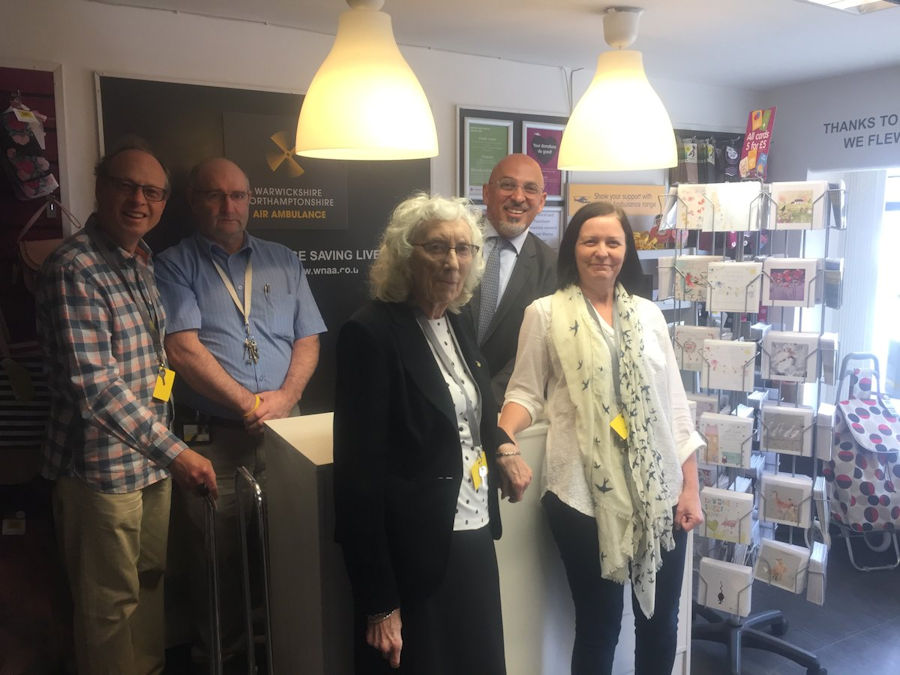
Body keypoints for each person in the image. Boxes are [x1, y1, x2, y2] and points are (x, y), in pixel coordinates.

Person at [497, 202, 705, 675]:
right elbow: (526, 392)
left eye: (613, 242)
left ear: (626, 250)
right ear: (573, 247)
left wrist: (689, 487)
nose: (602, 252)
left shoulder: (650, 315)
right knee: (599, 625)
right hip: (580, 496)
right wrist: (502, 435)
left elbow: (675, 407)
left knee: (660, 622)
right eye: (590, 240)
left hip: (659, 494)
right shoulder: (544, 314)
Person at [36, 140, 218, 675]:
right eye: (127, 185)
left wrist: (165, 445)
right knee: (108, 605)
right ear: (100, 188)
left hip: (150, 461)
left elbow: (154, 365)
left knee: (149, 579)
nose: (140, 199)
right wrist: (178, 452)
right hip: (99, 470)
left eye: (154, 191)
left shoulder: (142, 262)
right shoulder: (76, 267)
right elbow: (95, 386)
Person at [154, 157, 325, 666]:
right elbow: (181, 349)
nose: (228, 206)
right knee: (219, 565)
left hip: (287, 435)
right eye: (214, 195)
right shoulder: (172, 264)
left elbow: (308, 338)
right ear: (193, 201)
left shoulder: (283, 259)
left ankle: (288, 654)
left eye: (238, 195)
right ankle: (223, 662)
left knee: (293, 553)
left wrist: (285, 398)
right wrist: (251, 403)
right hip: (216, 442)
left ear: (251, 200)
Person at [333, 193, 514, 674]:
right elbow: (357, 482)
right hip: (413, 555)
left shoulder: (455, 321)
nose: (452, 261)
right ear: (403, 254)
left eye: (463, 249)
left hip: (473, 534)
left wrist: (502, 447)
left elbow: (474, 410)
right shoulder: (370, 334)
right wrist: (379, 602)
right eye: (436, 247)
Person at [462, 153, 557, 405]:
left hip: (503, 405)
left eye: (530, 189)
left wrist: (487, 398)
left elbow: (536, 347)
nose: (518, 197)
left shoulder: (552, 267)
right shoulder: (454, 244)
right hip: (440, 397)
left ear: (541, 201)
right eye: (507, 185)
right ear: (486, 193)